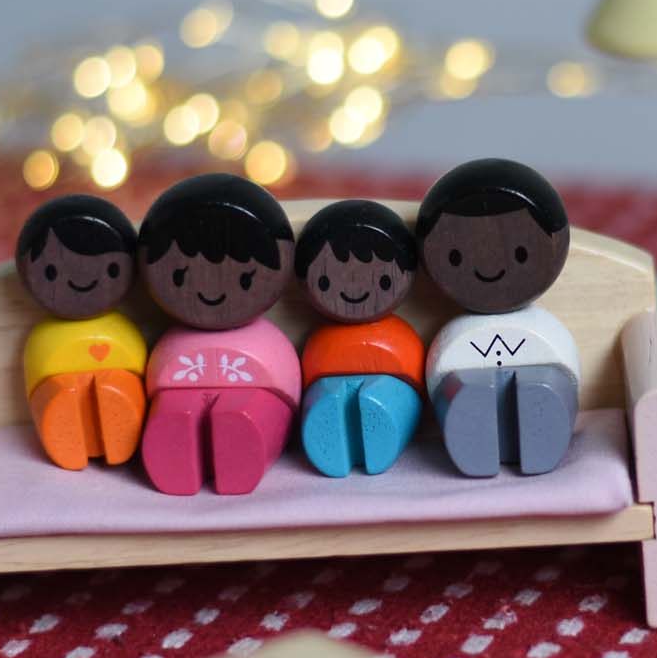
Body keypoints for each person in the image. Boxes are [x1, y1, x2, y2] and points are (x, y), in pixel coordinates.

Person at [137, 173, 299, 495]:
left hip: (261, 381)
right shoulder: (170, 345)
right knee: (174, 414)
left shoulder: (269, 343)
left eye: (243, 280)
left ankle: (238, 463)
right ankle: (175, 465)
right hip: (177, 376)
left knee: (249, 414)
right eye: (183, 277)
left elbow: (286, 394)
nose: (211, 288)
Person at [417, 158, 579, 477]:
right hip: (460, 364)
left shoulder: (546, 335)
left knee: (547, 388)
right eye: (456, 257)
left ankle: (541, 441)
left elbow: (568, 375)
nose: (489, 264)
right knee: (462, 394)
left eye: (520, 253)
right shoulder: (453, 339)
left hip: (541, 359)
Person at [295, 200, 428, 477]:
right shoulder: (320, 345)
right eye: (325, 282)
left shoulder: (401, 341)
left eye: (384, 281)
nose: (354, 289)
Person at [14, 195, 147, 470]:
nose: (81, 278)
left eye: (110, 269)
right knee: (56, 397)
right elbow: (37, 384)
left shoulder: (124, 331)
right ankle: (69, 443)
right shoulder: (42, 338)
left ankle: (120, 442)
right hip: (56, 390)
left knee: (121, 388)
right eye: (52, 273)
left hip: (122, 387)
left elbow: (142, 372)